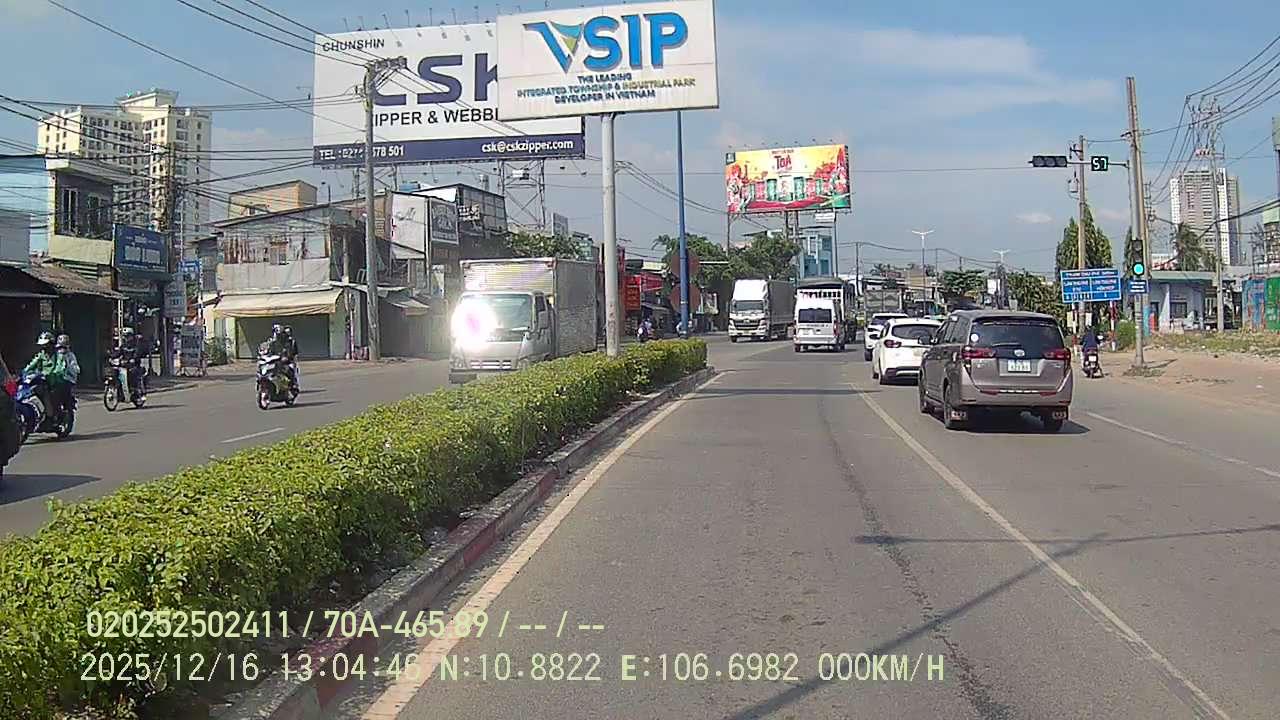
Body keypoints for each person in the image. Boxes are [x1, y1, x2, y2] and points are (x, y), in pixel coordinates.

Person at [23, 332, 66, 419]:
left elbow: (60, 367)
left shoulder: (58, 355)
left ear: (51, 344)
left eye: (46, 345)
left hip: (54, 381)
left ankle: (51, 414)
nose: (44, 347)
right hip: (41, 380)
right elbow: (31, 364)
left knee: (47, 393)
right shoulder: (41, 354)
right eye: (43, 345)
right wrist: (24, 372)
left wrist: (53, 373)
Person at [54, 334, 79, 415]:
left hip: (67, 380)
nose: (61, 350)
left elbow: (76, 368)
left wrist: (68, 366)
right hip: (55, 379)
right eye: (60, 347)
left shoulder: (70, 356)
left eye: (63, 347)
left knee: (65, 393)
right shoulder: (55, 355)